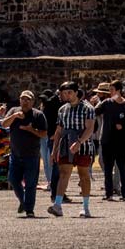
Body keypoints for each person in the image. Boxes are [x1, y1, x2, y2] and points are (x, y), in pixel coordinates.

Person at [49, 81, 97, 218]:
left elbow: (90, 128)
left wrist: (79, 142)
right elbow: (58, 131)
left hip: (83, 145)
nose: (67, 95)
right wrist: (54, 150)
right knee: (64, 173)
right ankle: (57, 205)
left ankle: (85, 207)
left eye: (69, 92)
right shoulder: (62, 109)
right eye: (64, 93)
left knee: (83, 175)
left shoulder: (87, 108)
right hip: (66, 144)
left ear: (76, 92)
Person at [1, 90, 48, 217]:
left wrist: (31, 130)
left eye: (28, 99)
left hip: (31, 155)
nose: (25, 102)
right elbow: (4, 124)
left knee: (31, 183)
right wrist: (15, 116)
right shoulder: (14, 111)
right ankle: (23, 201)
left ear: (33, 102)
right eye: (22, 99)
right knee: (13, 180)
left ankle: (29, 210)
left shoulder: (38, 115)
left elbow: (44, 134)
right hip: (15, 154)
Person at [98, 84, 125, 202]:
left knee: (122, 168)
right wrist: (95, 103)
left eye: (112, 90)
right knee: (108, 169)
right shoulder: (106, 103)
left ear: (118, 90)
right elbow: (94, 112)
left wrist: (123, 124)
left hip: (121, 142)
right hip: (107, 140)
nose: (110, 92)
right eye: (109, 90)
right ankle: (108, 193)